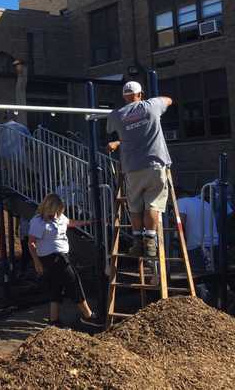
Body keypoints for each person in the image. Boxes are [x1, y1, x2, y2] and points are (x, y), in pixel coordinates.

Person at [107, 81, 173, 258]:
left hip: (132, 168)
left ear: (124, 96)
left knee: (135, 206)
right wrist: (158, 101)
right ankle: (150, 241)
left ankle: (137, 242)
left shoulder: (117, 115)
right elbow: (168, 100)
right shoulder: (151, 106)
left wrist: (118, 141)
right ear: (140, 94)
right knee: (153, 203)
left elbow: (115, 131)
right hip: (155, 164)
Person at [28, 193, 97, 328]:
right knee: (74, 282)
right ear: (48, 207)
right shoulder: (38, 221)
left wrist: (87, 222)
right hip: (52, 257)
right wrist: (37, 262)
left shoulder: (59, 216)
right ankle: (88, 315)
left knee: (56, 286)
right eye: (55, 210)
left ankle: (54, 320)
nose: (57, 213)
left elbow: (69, 222)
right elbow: (31, 243)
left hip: (62, 255)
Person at [178, 183, 234, 304]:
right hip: (215, 244)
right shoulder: (205, 203)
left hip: (198, 246)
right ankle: (221, 307)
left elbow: (180, 223)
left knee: (201, 281)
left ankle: (206, 310)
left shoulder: (181, 202)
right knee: (215, 278)